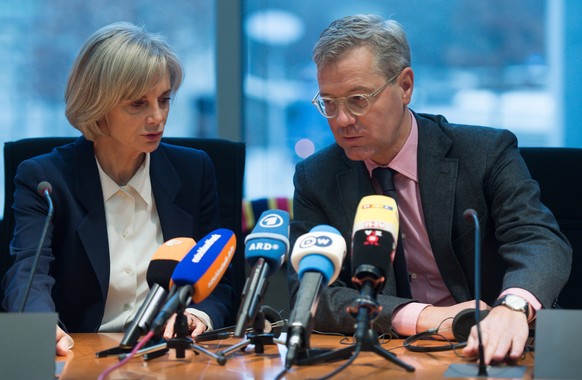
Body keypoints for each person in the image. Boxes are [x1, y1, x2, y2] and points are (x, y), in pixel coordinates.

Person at [288, 14, 572, 365]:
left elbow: (539, 240)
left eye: (358, 99)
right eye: (329, 103)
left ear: (405, 86)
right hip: (393, 353)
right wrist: (422, 317)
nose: (342, 119)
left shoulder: (484, 152)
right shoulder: (317, 177)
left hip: (500, 348)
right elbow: (311, 293)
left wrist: (512, 305)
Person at [2, 22, 235, 355]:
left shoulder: (194, 171)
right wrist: (40, 327)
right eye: (137, 104)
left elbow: (218, 274)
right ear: (98, 106)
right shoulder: (46, 179)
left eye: (164, 100)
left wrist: (199, 314)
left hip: (171, 356)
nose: (157, 117)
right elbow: (26, 275)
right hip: (80, 354)